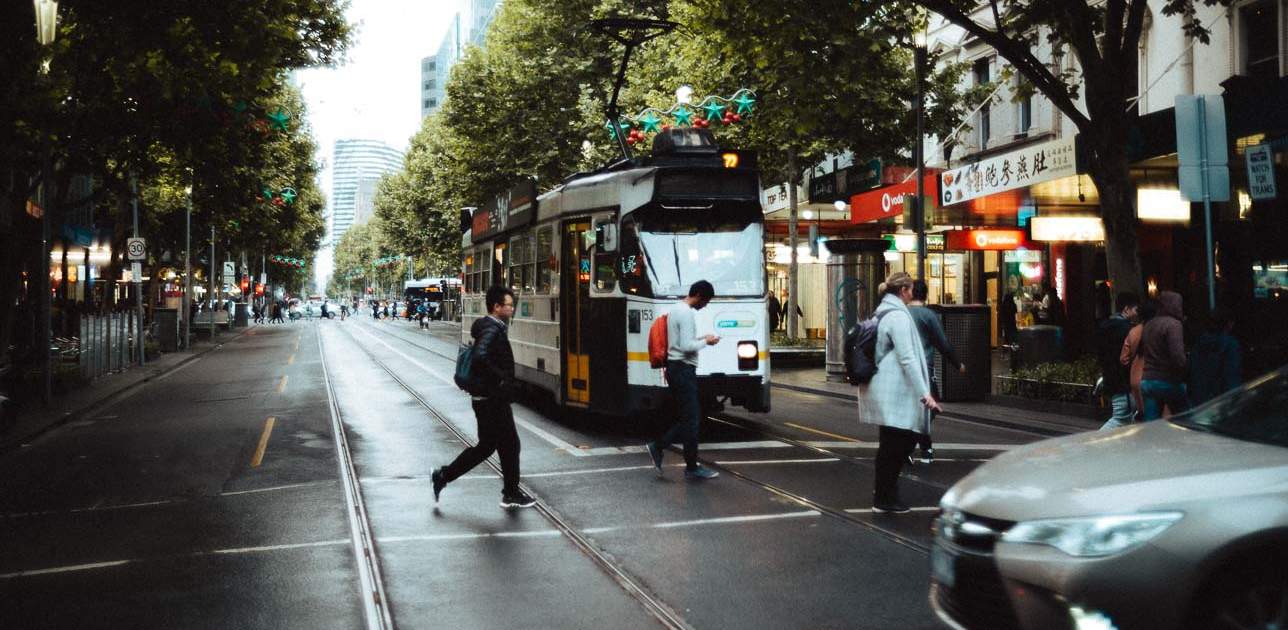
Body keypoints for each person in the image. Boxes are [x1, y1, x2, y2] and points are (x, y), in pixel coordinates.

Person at [432, 286, 536, 508]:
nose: (511, 309)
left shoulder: (491, 327)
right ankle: (511, 493)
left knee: (488, 446)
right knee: (509, 445)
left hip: (486, 399)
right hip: (492, 399)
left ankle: (443, 476)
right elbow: (480, 356)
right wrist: (500, 379)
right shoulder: (492, 329)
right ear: (497, 307)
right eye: (509, 305)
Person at [857, 272, 940, 513]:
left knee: (890, 445)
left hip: (884, 389)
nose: (912, 293)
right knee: (897, 445)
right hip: (894, 392)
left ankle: (884, 494)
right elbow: (908, 359)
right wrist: (925, 393)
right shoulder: (898, 317)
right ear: (904, 290)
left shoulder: (881, 312)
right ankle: (884, 498)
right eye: (911, 288)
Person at [645, 280, 721, 481]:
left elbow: (680, 342)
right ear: (697, 295)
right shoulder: (686, 313)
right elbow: (687, 346)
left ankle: (684, 461)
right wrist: (707, 341)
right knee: (692, 419)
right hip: (682, 370)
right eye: (705, 301)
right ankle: (679, 459)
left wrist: (701, 338)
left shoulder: (676, 310)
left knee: (688, 417)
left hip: (675, 369)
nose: (704, 305)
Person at [906, 280, 964, 464]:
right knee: (931, 405)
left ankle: (925, 448)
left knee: (914, 408)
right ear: (925, 295)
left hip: (904, 368)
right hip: (924, 368)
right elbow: (942, 343)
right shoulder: (928, 315)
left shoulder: (902, 313)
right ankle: (911, 446)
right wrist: (957, 364)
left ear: (910, 293)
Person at [1139, 290, 1188, 421]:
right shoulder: (1173, 324)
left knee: (1151, 424)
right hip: (1167, 379)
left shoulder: (1149, 324)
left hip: (1147, 380)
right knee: (1185, 419)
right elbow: (1178, 357)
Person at [1098, 292, 1140, 431]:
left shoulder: (1105, 327)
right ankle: (1091, 445)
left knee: (1126, 419)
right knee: (1121, 418)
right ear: (1126, 309)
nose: (1137, 313)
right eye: (1135, 310)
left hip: (1111, 378)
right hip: (1123, 382)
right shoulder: (1128, 330)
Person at [1187, 307, 1242, 407]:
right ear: (1229, 324)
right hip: (1221, 402)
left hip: (1199, 401)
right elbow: (1231, 375)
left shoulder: (1199, 343)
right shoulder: (1230, 345)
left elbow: (1192, 370)